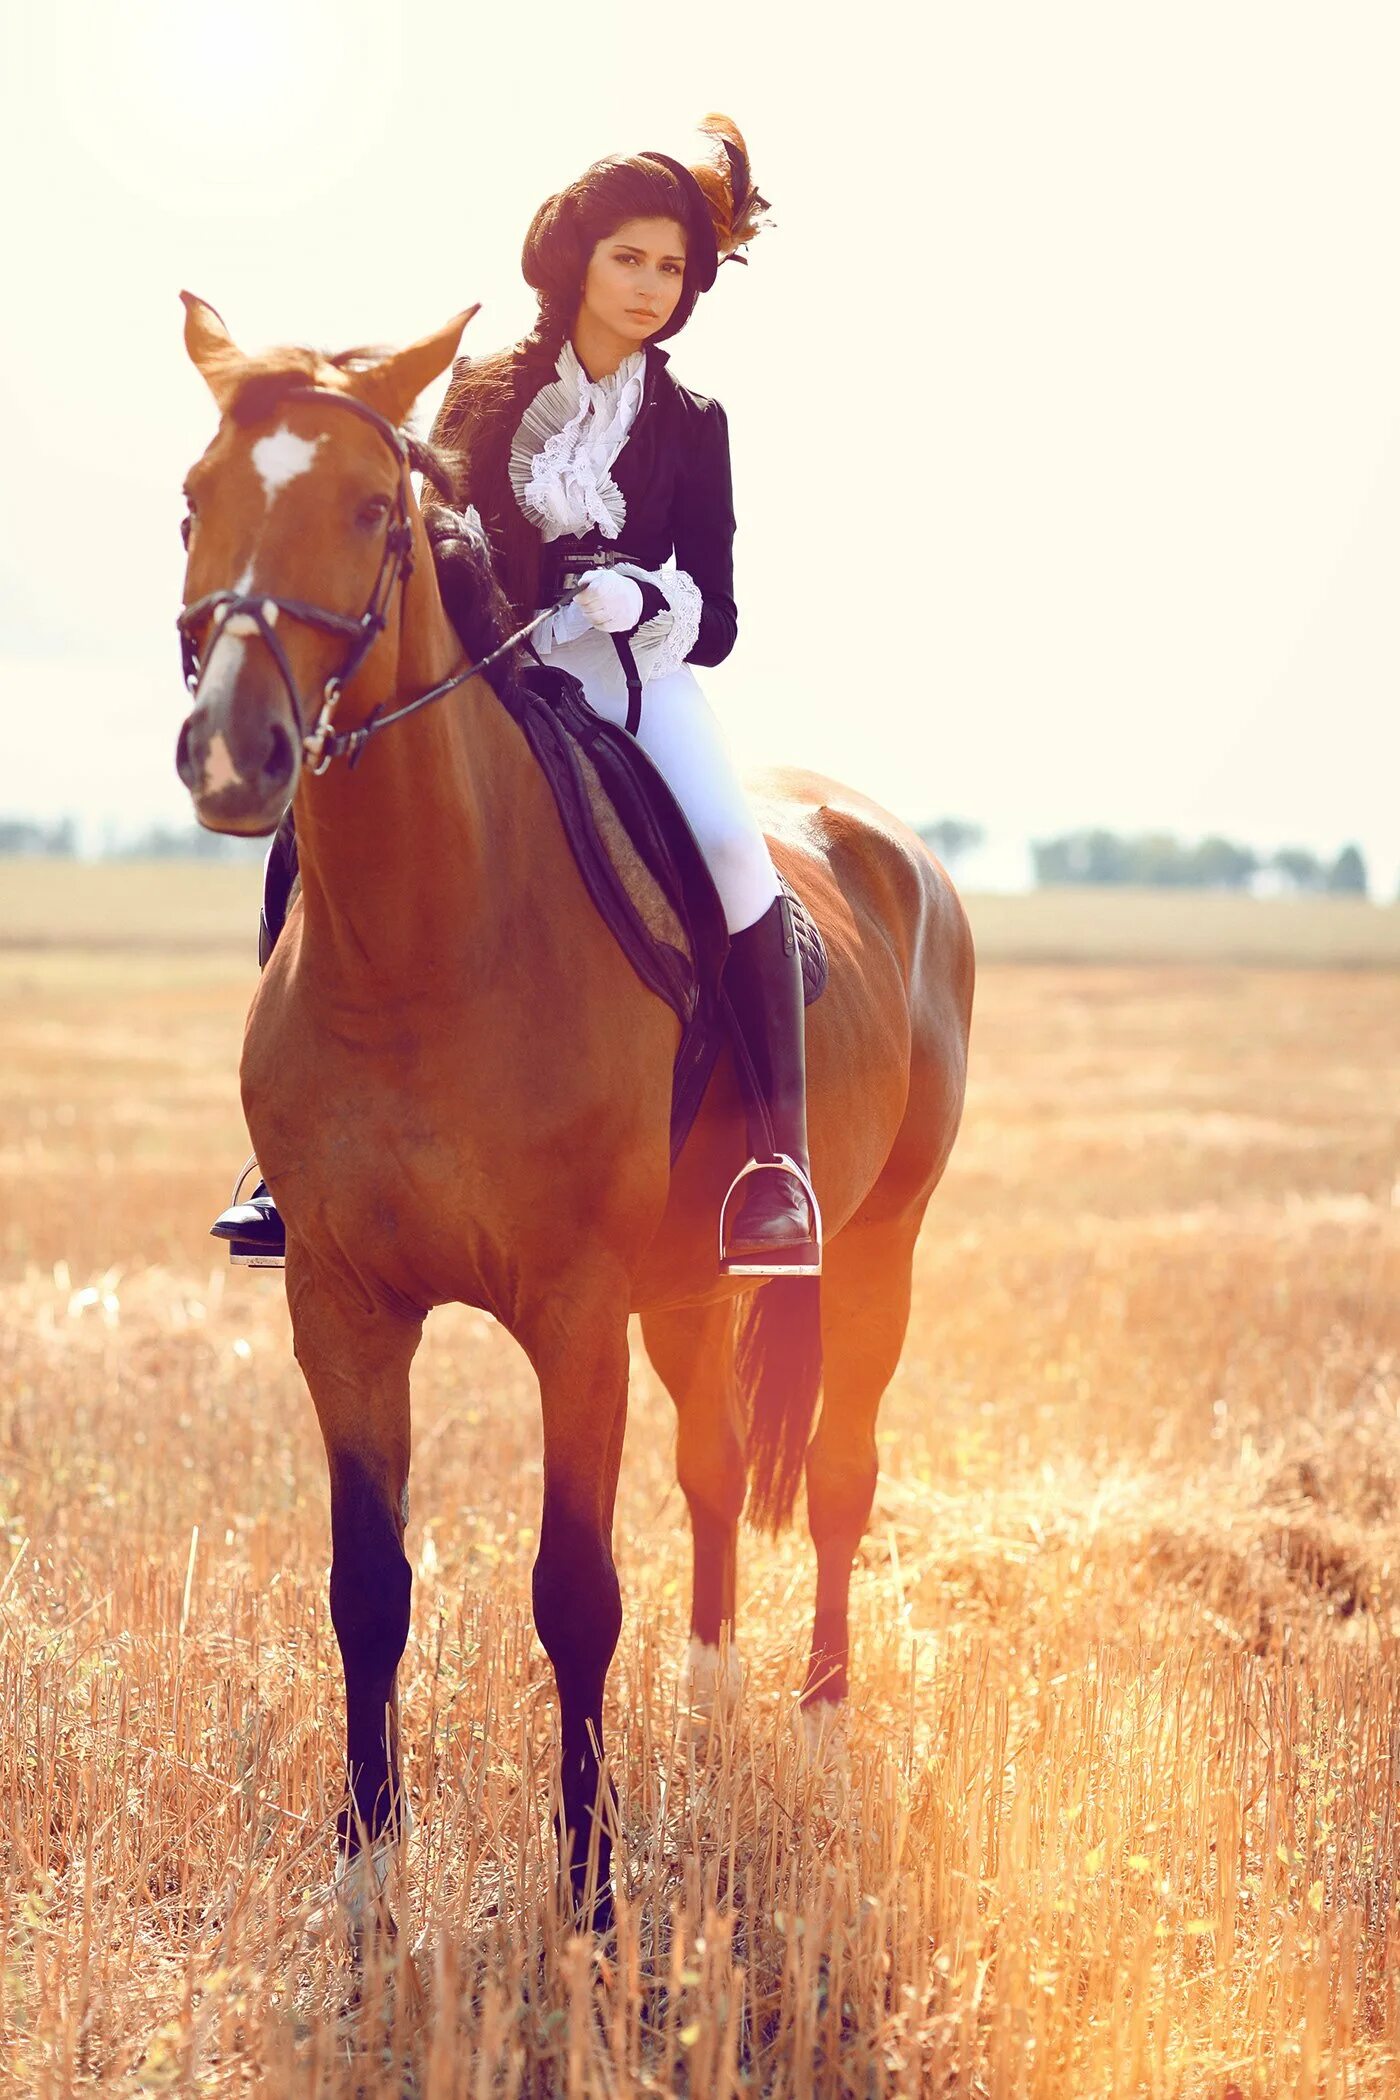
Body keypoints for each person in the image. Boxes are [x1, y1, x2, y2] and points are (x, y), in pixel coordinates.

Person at [212, 114, 819, 1275]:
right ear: (576, 260)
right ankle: (285, 1161)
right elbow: (435, 553)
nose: (647, 288)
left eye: (670, 269)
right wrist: (516, 600)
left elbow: (723, 621)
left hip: (638, 684)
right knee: (310, 834)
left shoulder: (694, 427)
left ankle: (773, 1170)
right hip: (493, 681)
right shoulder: (488, 389)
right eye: (626, 259)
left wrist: (644, 600)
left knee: (739, 859)